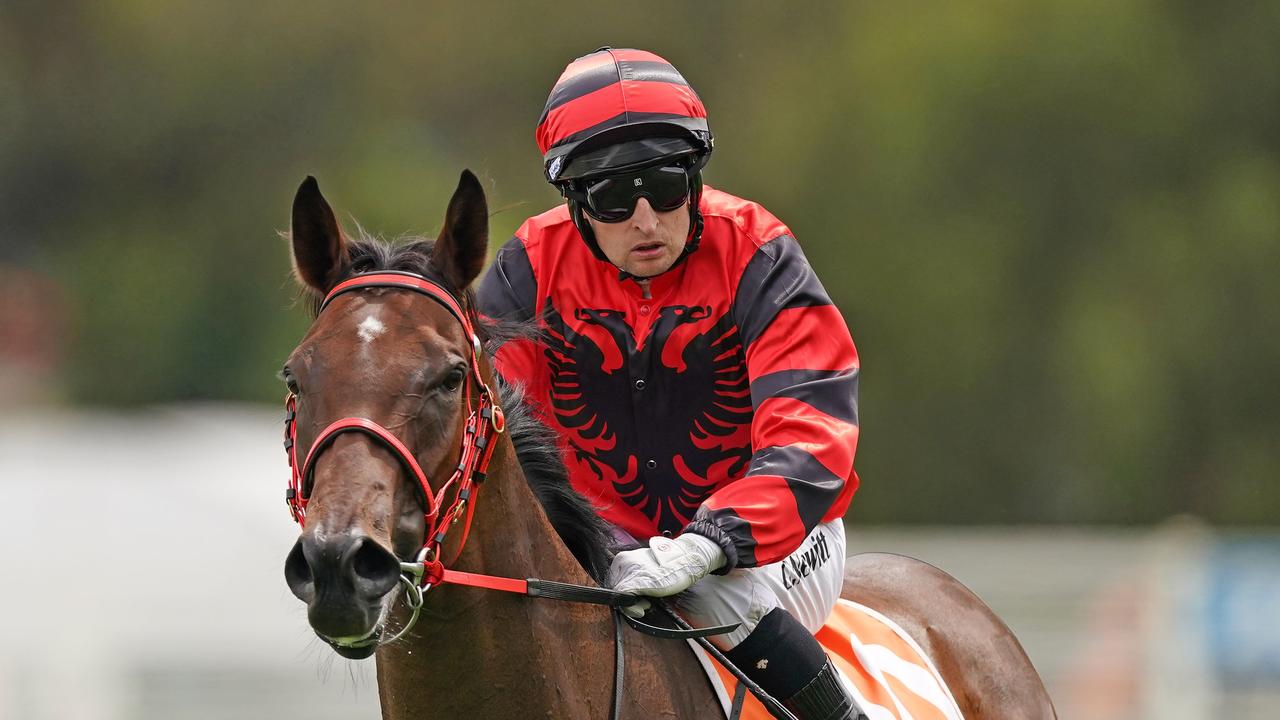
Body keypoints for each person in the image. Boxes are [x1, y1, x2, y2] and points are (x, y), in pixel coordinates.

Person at [477, 48, 863, 720]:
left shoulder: (761, 253)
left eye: (666, 185)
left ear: (695, 174)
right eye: (614, 197)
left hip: (783, 540)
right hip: (607, 548)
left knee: (712, 595)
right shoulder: (527, 270)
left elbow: (812, 430)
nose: (647, 219)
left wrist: (711, 541)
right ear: (574, 200)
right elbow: (484, 424)